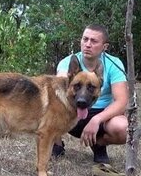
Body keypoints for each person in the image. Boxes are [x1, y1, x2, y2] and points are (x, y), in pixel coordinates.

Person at [52, 24, 128, 164]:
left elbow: (122, 102)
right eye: (85, 39)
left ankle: (99, 145)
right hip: (72, 113)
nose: (87, 44)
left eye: (94, 41)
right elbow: (58, 91)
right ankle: (56, 143)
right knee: (54, 104)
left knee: (124, 128)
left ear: (104, 46)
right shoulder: (67, 63)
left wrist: (96, 120)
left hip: (101, 114)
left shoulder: (114, 64)